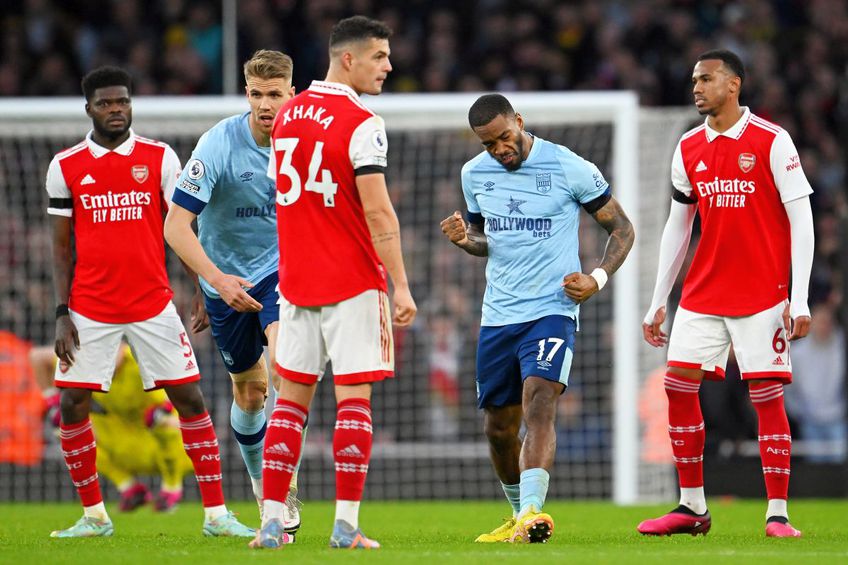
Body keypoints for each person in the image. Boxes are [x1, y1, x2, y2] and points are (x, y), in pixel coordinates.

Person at [45, 66, 253, 538]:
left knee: (190, 398)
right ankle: (95, 516)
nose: (116, 110)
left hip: (153, 305)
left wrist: (200, 288)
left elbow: (180, 230)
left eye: (122, 102)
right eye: (105, 103)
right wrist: (61, 313)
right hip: (89, 308)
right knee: (73, 403)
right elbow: (61, 247)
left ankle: (216, 515)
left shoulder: (160, 158)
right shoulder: (66, 165)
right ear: (89, 109)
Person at [251, 15, 417, 550]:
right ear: (349, 58)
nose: (388, 67)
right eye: (380, 57)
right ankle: (345, 526)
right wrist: (402, 285)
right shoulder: (363, 122)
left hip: (295, 285)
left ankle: (272, 522)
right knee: (353, 403)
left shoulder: (287, 115)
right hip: (351, 281)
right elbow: (379, 213)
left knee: (290, 405)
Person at [440, 93, 635, 543]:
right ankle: (518, 515)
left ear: (519, 122)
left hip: (552, 310)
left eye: (505, 138)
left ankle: (532, 510)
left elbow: (622, 227)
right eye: (489, 145)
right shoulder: (474, 174)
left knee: (540, 400)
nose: (499, 150)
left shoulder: (569, 166)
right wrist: (464, 241)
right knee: (498, 428)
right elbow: (490, 240)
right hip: (498, 315)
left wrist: (598, 278)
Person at [639, 49, 815, 538]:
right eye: (694, 80)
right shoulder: (688, 146)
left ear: (734, 84)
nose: (696, 87)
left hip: (762, 291)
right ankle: (692, 508)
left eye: (707, 79)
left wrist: (798, 296)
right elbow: (679, 224)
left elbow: (802, 218)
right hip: (702, 291)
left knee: (764, 394)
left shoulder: (772, 141)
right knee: (676, 386)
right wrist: (658, 298)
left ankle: (777, 514)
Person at [163, 50, 302, 536]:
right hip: (224, 279)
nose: (267, 105)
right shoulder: (219, 143)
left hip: (283, 271)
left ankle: (279, 494)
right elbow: (176, 227)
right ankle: (262, 478)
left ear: (292, 93)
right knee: (250, 390)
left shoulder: (305, 141)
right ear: (248, 93)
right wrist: (215, 281)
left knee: (287, 368)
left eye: (276, 94)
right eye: (258, 94)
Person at [31, 344, 194, 512]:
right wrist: (52, 402)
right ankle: (130, 488)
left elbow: (170, 404)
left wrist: (162, 414)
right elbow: (37, 356)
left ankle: (171, 489)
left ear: (120, 346)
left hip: (170, 449)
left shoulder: (141, 360)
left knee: (164, 420)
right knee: (68, 428)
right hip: (125, 442)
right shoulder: (88, 362)